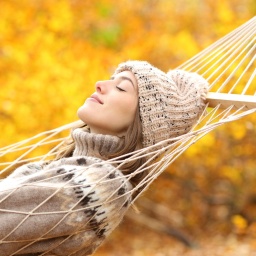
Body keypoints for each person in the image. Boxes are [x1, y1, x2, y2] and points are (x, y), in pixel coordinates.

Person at [0, 60, 208, 255]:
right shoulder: (50, 168)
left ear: (142, 122)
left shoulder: (103, 185)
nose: (99, 84)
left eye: (121, 87)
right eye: (110, 80)